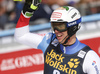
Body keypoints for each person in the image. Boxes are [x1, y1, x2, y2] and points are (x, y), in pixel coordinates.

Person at [14, 0, 100, 74]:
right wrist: (26, 13)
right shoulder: (49, 41)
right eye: (53, 25)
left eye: (60, 26)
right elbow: (21, 36)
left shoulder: (90, 58)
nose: (56, 30)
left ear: (73, 27)